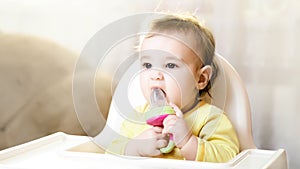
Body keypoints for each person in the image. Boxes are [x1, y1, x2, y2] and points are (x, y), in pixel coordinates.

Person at [106, 13, 239, 163]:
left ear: (201, 78)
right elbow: (109, 155)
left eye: (170, 65)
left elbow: (229, 158)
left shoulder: (209, 118)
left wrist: (188, 141)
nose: (155, 75)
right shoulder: (135, 117)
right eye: (147, 65)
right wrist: (134, 148)